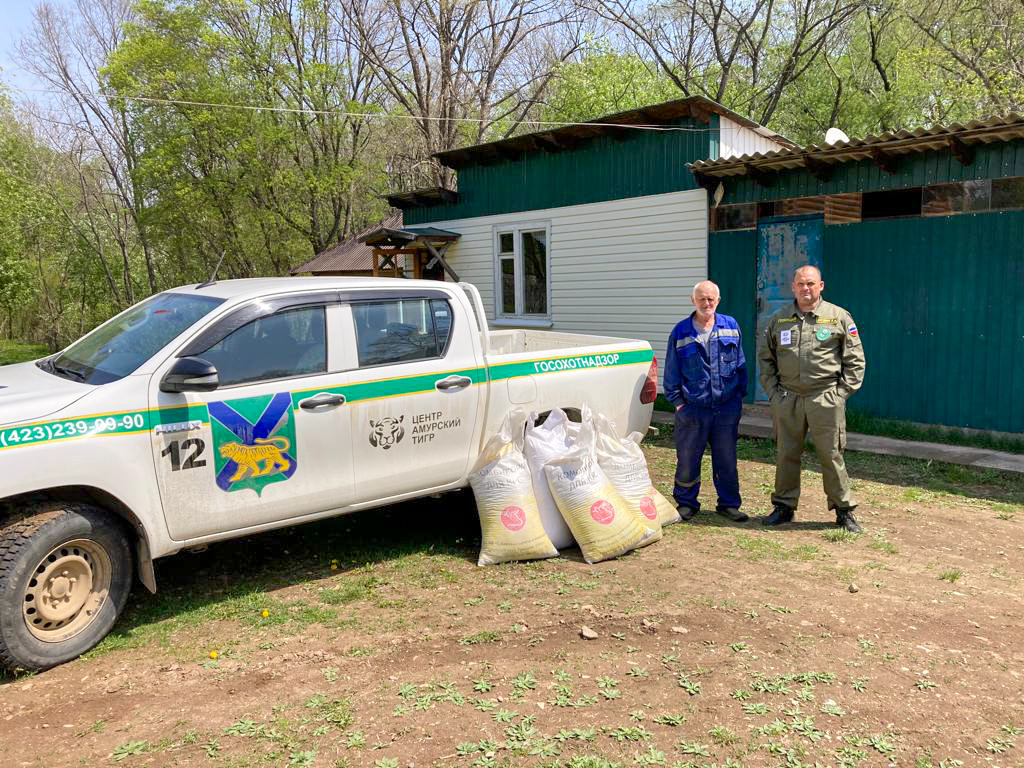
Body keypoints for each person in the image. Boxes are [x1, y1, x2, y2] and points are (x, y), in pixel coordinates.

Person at [757, 265, 866, 532]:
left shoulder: (838, 317)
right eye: (801, 284)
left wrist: (840, 394)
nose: (806, 288)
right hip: (788, 399)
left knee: (831, 454)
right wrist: (774, 393)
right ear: (793, 287)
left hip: (824, 398)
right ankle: (784, 506)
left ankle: (843, 510)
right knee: (786, 454)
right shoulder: (779, 319)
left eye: (811, 284)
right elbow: (766, 359)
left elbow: (855, 361)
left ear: (821, 286)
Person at [663, 280, 748, 523]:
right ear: (693, 301)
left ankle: (729, 504)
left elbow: (741, 365)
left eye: (711, 299)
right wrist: (679, 404)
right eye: (701, 298)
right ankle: (687, 503)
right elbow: (671, 371)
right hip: (693, 410)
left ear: (718, 301)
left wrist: (737, 400)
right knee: (688, 459)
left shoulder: (731, 326)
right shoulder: (681, 332)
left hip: (725, 410)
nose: (706, 303)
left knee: (727, 460)